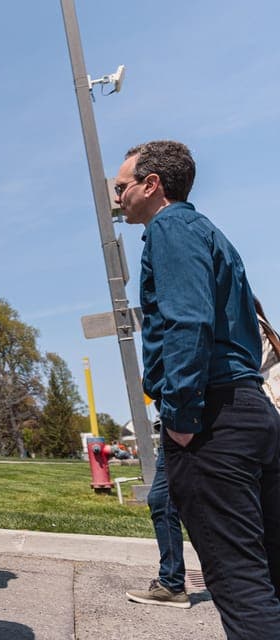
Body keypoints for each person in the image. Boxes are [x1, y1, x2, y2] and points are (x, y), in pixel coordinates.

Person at [115, 140, 280, 637]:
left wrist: (183, 419)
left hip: (212, 418)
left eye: (122, 187)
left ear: (152, 185)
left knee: (240, 583)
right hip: (250, 410)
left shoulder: (169, 228)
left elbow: (188, 323)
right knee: (268, 573)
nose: (117, 197)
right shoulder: (208, 232)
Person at [124, 420, 189, 609]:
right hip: (179, 425)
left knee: (162, 500)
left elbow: (181, 389)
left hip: (182, 424)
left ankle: (171, 584)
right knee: (161, 499)